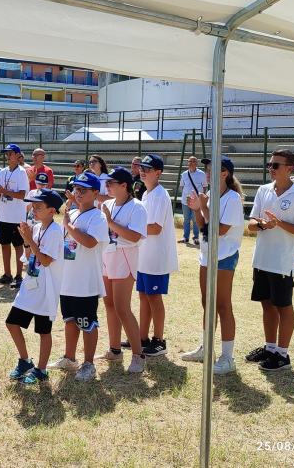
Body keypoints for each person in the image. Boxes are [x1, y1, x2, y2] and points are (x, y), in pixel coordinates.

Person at [245, 149, 294, 372]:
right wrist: (264, 225)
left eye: (275, 165)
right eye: (269, 164)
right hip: (262, 258)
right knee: (266, 304)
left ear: (290, 168)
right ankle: (270, 347)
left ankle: (283, 355)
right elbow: (251, 224)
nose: (271, 169)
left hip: (282, 262)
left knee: (283, 306)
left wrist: (280, 223)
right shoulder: (263, 190)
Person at [181, 156, 244, 374]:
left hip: (224, 257)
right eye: (206, 169)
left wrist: (203, 207)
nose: (206, 172)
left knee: (223, 305)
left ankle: (228, 357)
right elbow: (202, 225)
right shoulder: (209, 195)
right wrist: (197, 209)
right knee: (207, 304)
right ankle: (206, 348)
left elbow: (221, 230)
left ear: (224, 173)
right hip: (207, 256)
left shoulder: (232, 198)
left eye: (211, 169)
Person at [47, 172, 110, 381]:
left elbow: (91, 242)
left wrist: (68, 226)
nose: (79, 193)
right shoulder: (72, 214)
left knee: (88, 323)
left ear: (95, 192)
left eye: (84, 190)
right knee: (70, 321)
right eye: (76, 189)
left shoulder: (98, 216)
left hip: (86, 282)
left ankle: (89, 363)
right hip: (68, 280)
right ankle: (69, 357)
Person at [6, 188, 65, 385]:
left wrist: (29, 239)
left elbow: (46, 261)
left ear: (51, 210)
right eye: (34, 205)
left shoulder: (55, 231)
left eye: (39, 206)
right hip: (30, 286)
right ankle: (24, 361)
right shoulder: (38, 227)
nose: (34, 209)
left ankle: (41, 369)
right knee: (12, 322)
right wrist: (26, 241)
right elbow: (31, 257)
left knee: (43, 331)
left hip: (45, 291)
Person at [100, 167, 147, 373]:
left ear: (124, 185)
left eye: (111, 183)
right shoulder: (107, 204)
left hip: (125, 258)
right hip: (107, 256)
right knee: (109, 304)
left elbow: (135, 236)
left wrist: (110, 222)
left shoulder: (137, 207)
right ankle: (115, 350)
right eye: (107, 183)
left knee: (122, 307)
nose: (107, 186)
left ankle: (138, 355)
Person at [135, 154, 178, 357]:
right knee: (144, 297)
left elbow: (155, 228)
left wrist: (131, 228)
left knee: (154, 297)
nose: (143, 171)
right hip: (144, 255)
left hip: (156, 256)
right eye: (142, 167)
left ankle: (159, 340)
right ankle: (141, 337)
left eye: (148, 168)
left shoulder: (160, 195)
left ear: (158, 173)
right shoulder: (146, 194)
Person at [0, 144, 29, 289]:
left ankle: (19, 276)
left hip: (16, 216)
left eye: (10, 153)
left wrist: (4, 191)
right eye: (6, 153)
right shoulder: (3, 172)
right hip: (3, 215)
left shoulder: (21, 172)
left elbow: (22, 194)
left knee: (18, 245)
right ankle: (7, 275)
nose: (7, 156)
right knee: (4, 244)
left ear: (18, 155)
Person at [178, 156, 207, 245]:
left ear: (197, 163)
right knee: (186, 219)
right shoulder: (184, 174)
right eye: (190, 161)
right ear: (188, 163)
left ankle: (196, 238)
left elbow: (205, 186)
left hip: (197, 201)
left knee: (195, 220)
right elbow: (182, 186)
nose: (191, 163)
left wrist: (200, 198)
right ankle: (185, 237)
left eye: (194, 161)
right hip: (185, 201)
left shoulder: (202, 174)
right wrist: (187, 195)